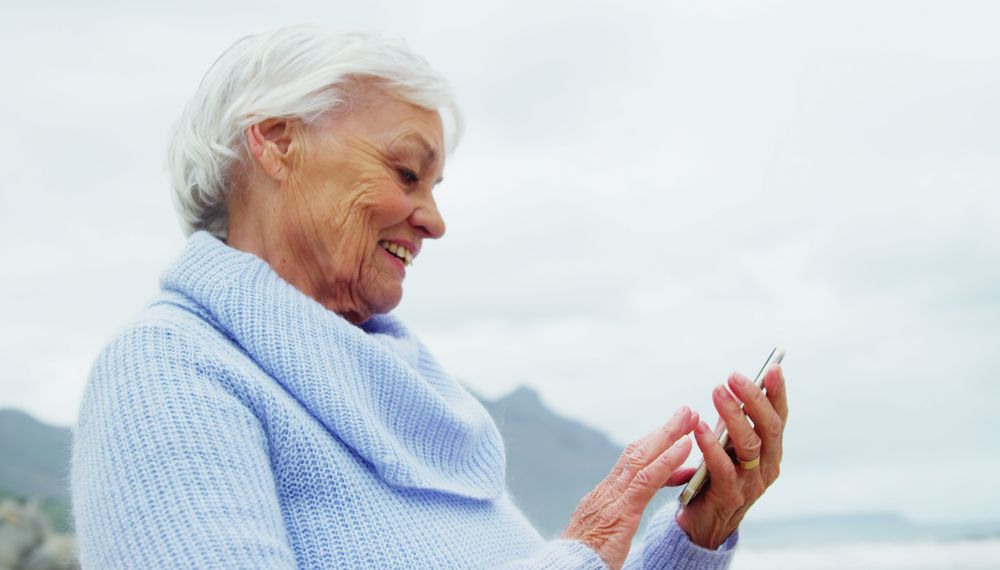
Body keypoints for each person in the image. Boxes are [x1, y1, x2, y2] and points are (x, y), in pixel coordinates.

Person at [71, 24, 789, 569]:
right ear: (276, 142)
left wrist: (694, 538)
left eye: (433, 186)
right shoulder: (167, 373)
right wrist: (583, 551)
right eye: (406, 172)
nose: (434, 220)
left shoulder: (413, 399)